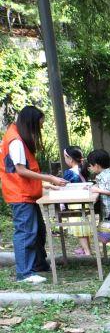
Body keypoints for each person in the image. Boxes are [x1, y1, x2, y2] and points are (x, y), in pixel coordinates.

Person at [2, 105, 66, 284]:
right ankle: (24, 273)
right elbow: (21, 171)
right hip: (20, 195)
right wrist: (50, 178)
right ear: (30, 123)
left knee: (38, 231)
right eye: (39, 125)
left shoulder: (16, 136)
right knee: (25, 233)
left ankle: (38, 265)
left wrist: (45, 185)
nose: (40, 129)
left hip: (27, 193)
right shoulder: (15, 140)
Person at [60, 146, 94, 257]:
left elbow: (64, 188)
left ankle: (87, 252)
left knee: (80, 230)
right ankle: (86, 249)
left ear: (70, 159)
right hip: (84, 202)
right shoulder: (83, 170)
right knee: (84, 228)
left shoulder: (69, 173)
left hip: (74, 203)